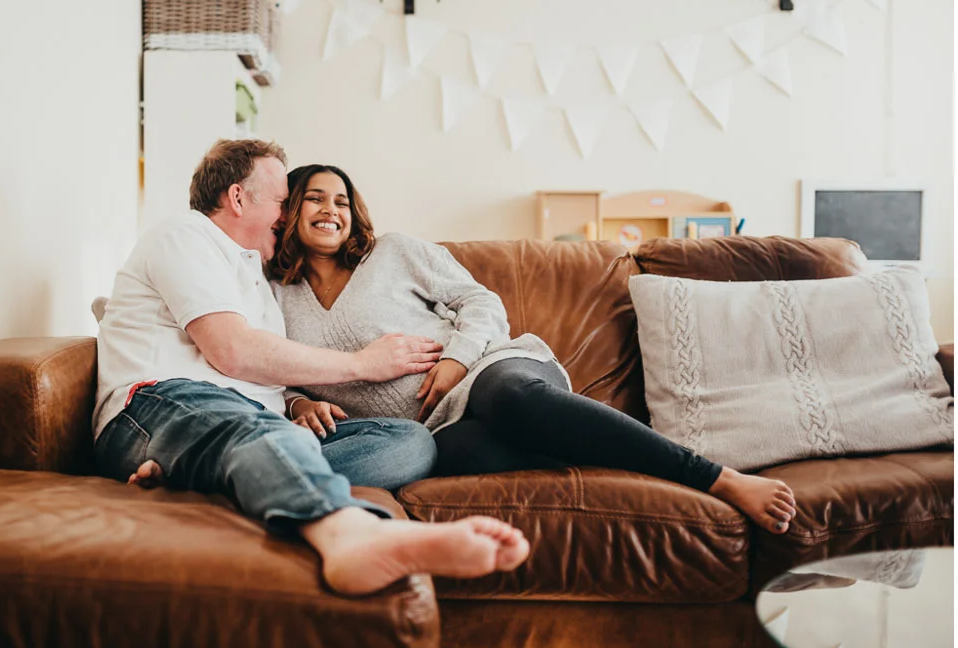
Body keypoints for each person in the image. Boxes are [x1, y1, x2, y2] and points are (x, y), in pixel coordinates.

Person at [91, 137, 531, 596]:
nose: (287, 215)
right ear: (238, 198)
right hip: (157, 404)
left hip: (243, 425)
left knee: (410, 443)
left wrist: (297, 403)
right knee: (258, 432)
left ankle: (205, 479)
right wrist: (362, 364)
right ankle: (348, 535)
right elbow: (233, 353)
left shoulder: (259, 279)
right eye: (284, 201)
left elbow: (270, 371)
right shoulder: (185, 236)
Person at [270, 164, 799, 533]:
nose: (331, 209)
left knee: (514, 401)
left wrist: (456, 361)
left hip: (489, 370)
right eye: (315, 197)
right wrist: (299, 402)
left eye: (341, 199)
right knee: (466, 454)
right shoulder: (273, 295)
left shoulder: (394, 252)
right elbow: (271, 369)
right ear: (290, 208)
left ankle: (716, 477)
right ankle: (618, 449)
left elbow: (481, 302)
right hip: (434, 428)